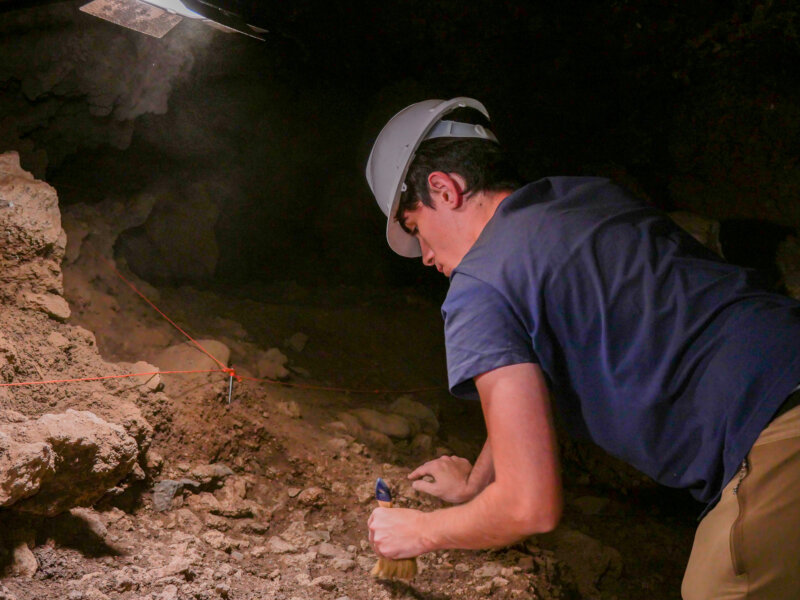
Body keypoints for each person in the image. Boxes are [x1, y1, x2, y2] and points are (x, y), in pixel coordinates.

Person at [364, 97, 800, 599]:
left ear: (444, 188)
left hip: (775, 427)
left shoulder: (480, 285)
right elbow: (533, 386)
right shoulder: (584, 199)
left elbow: (531, 506)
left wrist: (418, 532)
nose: (425, 256)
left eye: (416, 228)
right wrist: (475, 483)